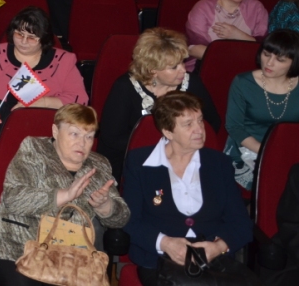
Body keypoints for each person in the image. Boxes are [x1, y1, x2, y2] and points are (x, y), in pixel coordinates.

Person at [0, 103, 129, 286]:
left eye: (89, 136)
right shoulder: (33, 149)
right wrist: (64, 195)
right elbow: (13, 198)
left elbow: (121, 218)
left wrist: (105, 206)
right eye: (74, 134)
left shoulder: (99, 164)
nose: (82, 143)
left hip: (71, 258)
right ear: (55, 131)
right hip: (16, 245)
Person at [122, 93, 253, 286]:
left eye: (200, 120)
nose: (199, 129)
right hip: (159, 262)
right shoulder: (139, 163)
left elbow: (241, 223)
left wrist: (218, 247)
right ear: (168, 132)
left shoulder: (219, 164)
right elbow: (129, 220)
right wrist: (165, 243)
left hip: (213, 264)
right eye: (188, 124)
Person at [0, 7, 88, 200]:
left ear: (44, 39)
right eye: (19, 34)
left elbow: (79, 99)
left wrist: (39, 102)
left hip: (43, 132)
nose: (24, 41)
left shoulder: (63, 61)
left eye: (32, 37)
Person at [97, 28, 220, 182]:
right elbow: (112, 138)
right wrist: (162, 150)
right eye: (174, 67)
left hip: (184, 156)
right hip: (132, 158)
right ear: (152, 70)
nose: (183, 70)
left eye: (182, 62)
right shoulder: (125, 87)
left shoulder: (192, 84)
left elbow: (212, 123)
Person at [224, 29, 299, 189]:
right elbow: (234, 127)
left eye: (280, 59)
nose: (269, 63)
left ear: (294, 62)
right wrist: (268, 152)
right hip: (249, 148)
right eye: (266, 54)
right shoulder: (243, 82)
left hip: (289, 148)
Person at [186, 0, 269, 63]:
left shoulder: (256, 7)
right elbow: (193, 48)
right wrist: (230, 60)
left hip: (247, 61)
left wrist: (238, 35)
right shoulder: (203, 8)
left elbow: (264, 46)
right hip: (209, 63)